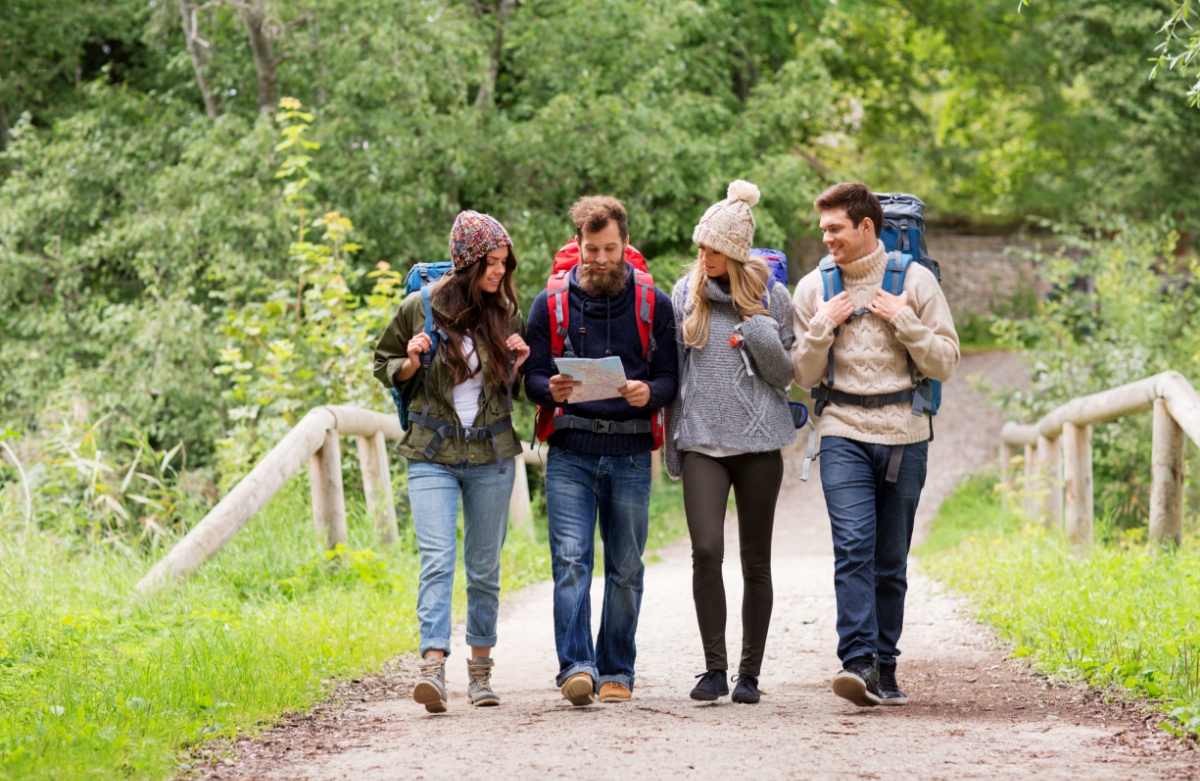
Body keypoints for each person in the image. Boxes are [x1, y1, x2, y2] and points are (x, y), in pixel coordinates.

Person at [791, 183, 959, 707]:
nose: (827, 239)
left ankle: (886, 665)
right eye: (823, 229)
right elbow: (802, 374)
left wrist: (904, 320)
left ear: (867, 227)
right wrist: (821, 327)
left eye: (835, 228)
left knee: (891, 557)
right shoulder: (812, 288)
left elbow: (945, 363)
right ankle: (857, 661)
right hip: (841, 428)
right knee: (853, 545)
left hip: (905, 432)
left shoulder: (915, 281)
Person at [372, 211, 530, 713]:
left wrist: (520, 364)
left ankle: (480, 673)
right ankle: (433, 670)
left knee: (483, 569)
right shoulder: (417, 308)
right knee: (437, 561)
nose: (499, 273)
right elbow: (383, 363)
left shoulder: (505, 312)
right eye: (491, 263)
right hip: (432, 453)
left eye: (504, 264)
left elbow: (519, 391)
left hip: (492, 455)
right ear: (466, 263)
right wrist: (411, 361)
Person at [524, 196, 679, 706]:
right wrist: (552, 389)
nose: (600, 259)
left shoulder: (653, 305)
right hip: (571, 451)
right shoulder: (550, 306)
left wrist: (647, 393)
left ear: (625, 245)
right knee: (570, 561)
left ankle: (617, 669)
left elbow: (670, 378)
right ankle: (575, 667)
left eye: (610, 249)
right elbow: (532, 377)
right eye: (591, 250)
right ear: (578, 245)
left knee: (626, 566)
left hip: (632, 452)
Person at [664, 181, 796, 705]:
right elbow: (675, 372)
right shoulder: (684, 294)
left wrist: (759, 330)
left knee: (755, 561)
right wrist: (674, 444)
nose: (705, 257)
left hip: (760, 443)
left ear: (737, 251)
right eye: (701, 247)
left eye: (715, 249)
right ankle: (713, 669)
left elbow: (785, 375)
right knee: (705, 551)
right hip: (702, 441)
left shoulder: (773, 297)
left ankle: (749, 675)